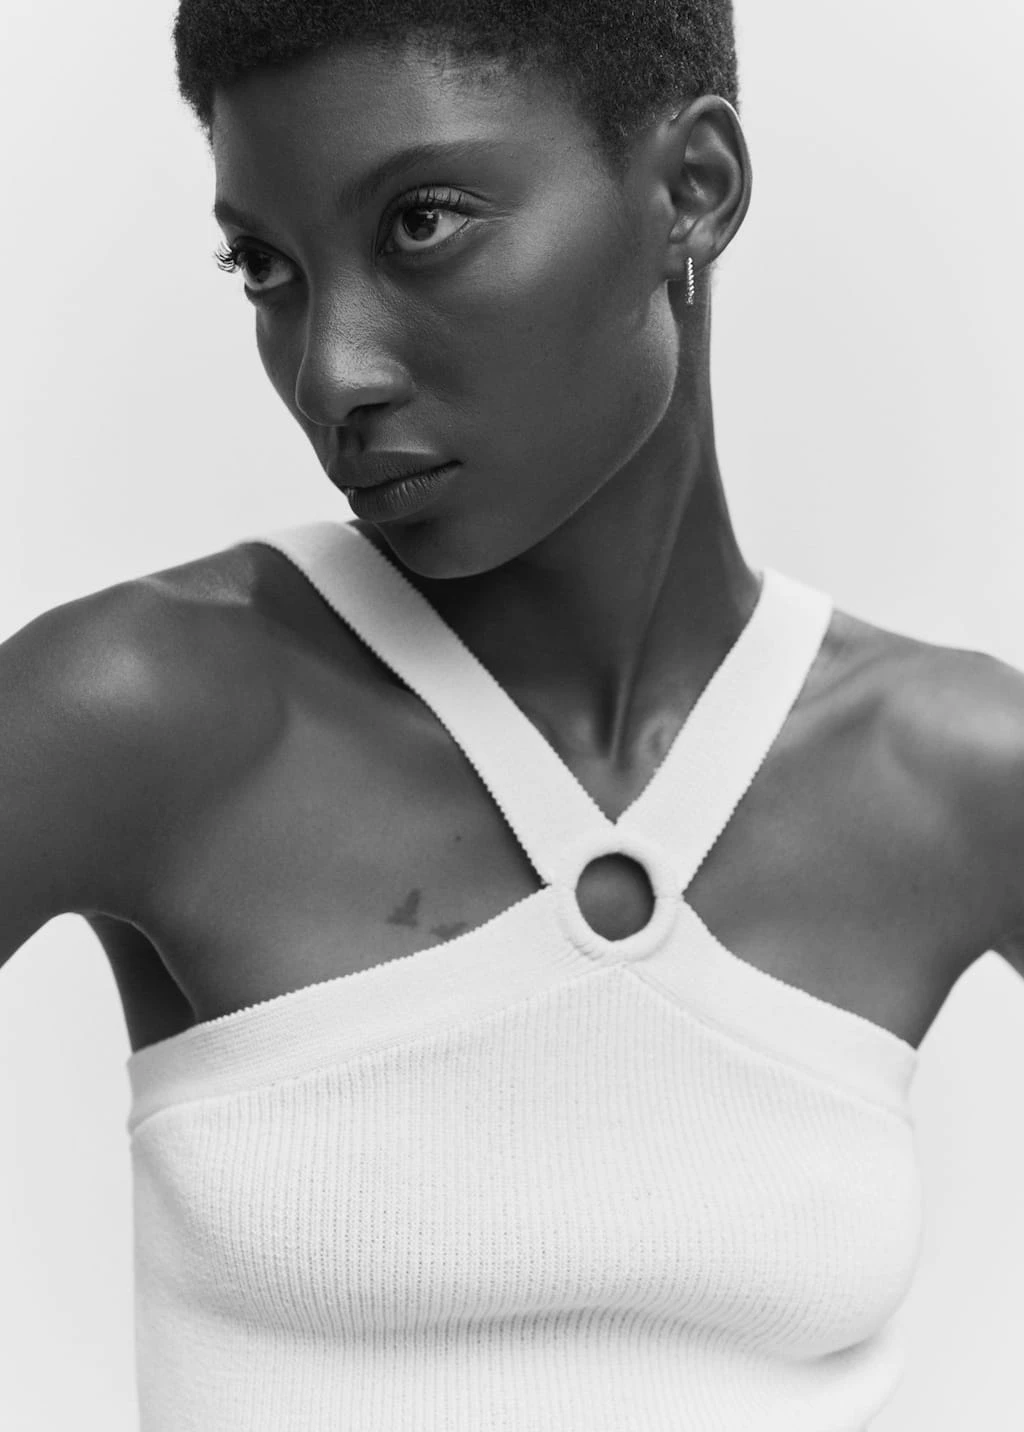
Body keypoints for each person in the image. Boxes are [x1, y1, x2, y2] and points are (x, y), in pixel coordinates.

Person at [2, 1, 1022, 1427]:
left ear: (693, 191)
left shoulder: (959, 773)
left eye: (422, 223)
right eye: (266, 267)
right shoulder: (142, 714)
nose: (332, 372)